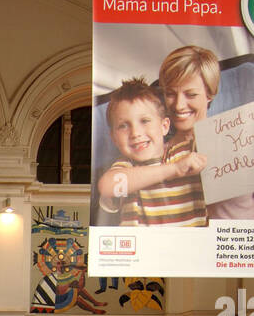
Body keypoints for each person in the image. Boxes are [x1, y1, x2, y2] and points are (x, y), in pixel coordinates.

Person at [158, 45, 252, 221]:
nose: (178, 105)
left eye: (191, 94)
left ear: (210, 93)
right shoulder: (156, 153)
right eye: (170, 93)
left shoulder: (239, 140)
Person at [97, 78, 207, 226]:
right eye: (123, 126)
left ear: (164, 126)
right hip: (146, 246)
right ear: (114, 138)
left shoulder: (186, 153)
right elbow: (107, 186)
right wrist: (174, 169)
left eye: (144, 121)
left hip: (190, 244)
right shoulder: (125, 167)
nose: (135, 133)